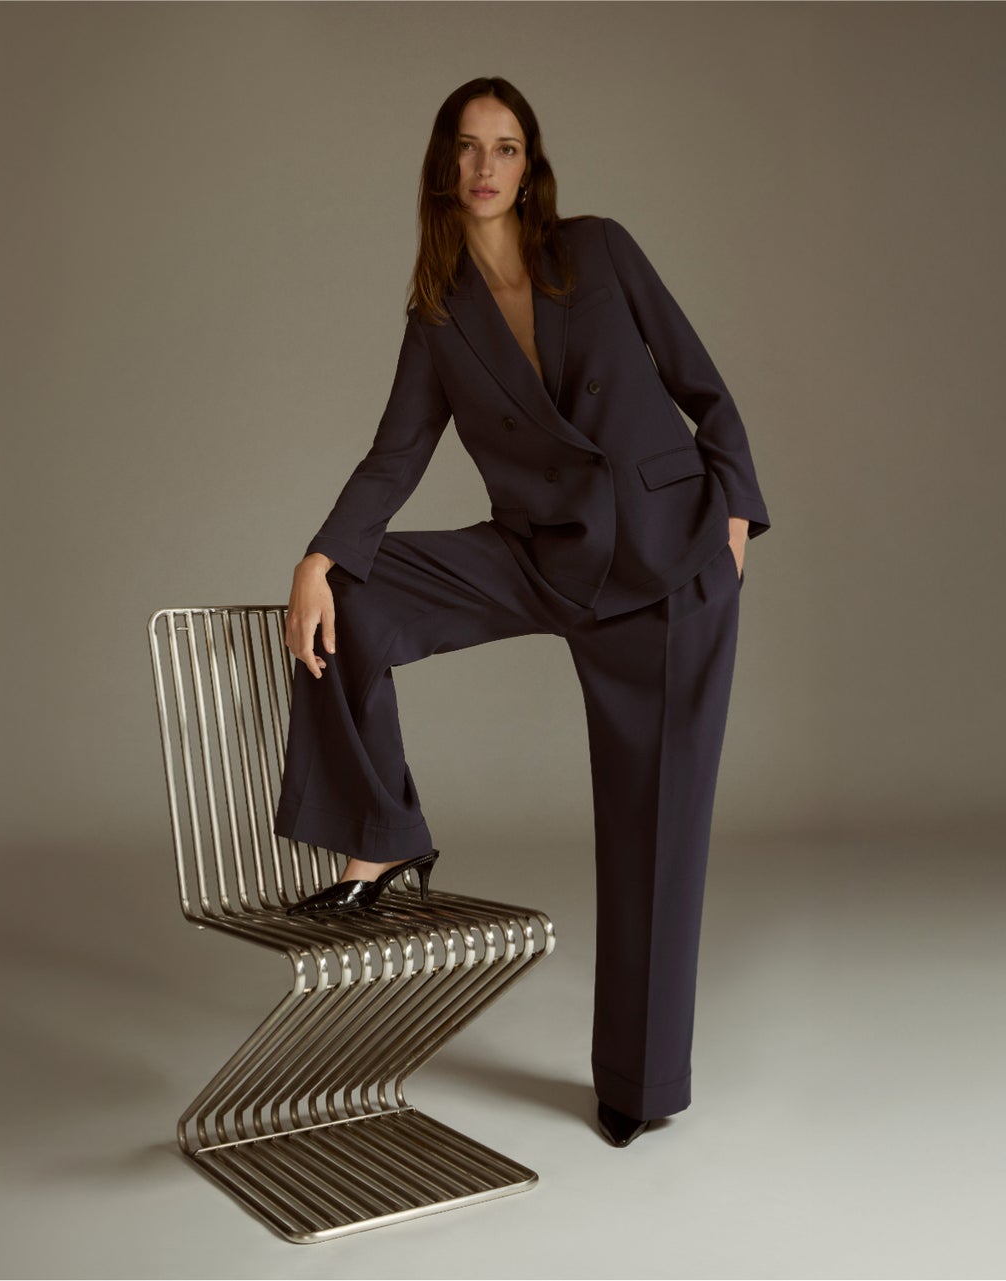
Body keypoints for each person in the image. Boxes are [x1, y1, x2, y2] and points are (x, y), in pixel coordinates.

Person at [269, 78, 772, 1149]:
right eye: (466, 147)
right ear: (443, 169)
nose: (485, 166)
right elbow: (395, 455)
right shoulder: (440, 315)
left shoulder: (598, 251)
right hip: (542, 557)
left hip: (668, 562)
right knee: (351, 594)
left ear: (530, 166)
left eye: (504, 147)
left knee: (655, 833)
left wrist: (733, 513)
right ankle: (382, 838)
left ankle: (639, 1087)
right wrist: (319, 553)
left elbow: (704, 386)